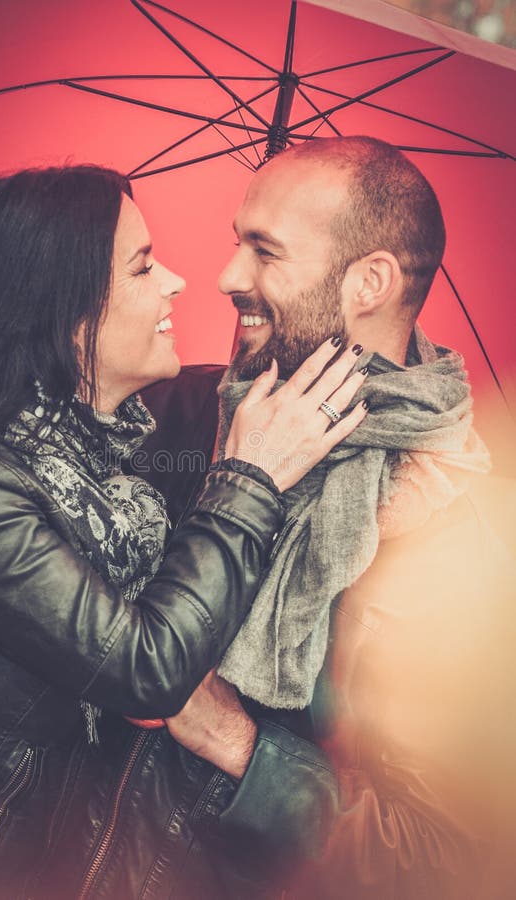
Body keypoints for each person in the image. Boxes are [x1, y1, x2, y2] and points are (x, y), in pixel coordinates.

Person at [0, 164, 370, 900]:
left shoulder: (107, 452)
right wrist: (251, 476)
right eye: (144, 265)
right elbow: (145, 670)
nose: (180, 282)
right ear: (62, 308)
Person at [141, 136, 515, 900]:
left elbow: (442, 861)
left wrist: (232, 738)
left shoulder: (457, 543)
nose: (226, 277)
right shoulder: (182, 405)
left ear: (369, 281)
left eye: (265, 252)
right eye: (235, 244)